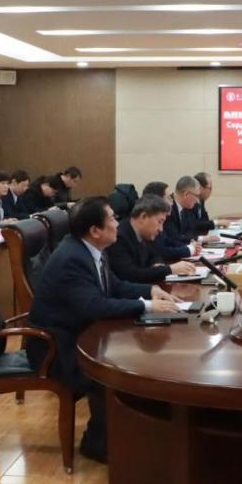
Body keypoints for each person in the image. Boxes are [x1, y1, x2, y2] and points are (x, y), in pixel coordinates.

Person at [26, 197, 179, 462]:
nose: (118, 223)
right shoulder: (72, 258)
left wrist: (150, 290)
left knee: (137, 360)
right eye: (112, 219)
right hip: (56, 349)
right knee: (117, 373)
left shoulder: (91, 248)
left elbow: (115, 286)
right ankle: (99, 443)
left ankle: (131, 434)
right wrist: (146, 306)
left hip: (80, 335)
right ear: (95, 230)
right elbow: (95, 306)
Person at [106, 195, 198, 283]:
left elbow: (155, 255)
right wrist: (169, 269)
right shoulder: (119, 237)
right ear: (143, 217)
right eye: (160, 222)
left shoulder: (146, 233)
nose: (161, 229)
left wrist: (157, 264)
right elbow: (131, 275)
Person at [163, 176, 204, 247]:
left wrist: (192, 242)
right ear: (186, 194)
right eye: (196, 196)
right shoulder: (169, 208)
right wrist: (191, 246)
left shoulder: (185, 207)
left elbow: (190, 231)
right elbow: (173, 238)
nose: (197, 201)